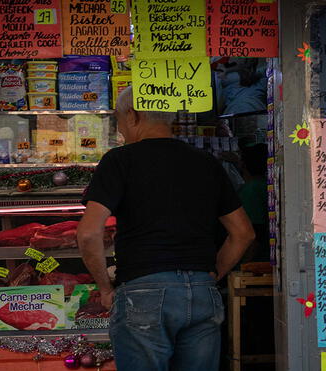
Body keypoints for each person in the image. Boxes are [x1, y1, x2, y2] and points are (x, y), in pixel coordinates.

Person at [76, 86, 255, 371]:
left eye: (119, 121)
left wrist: (105, 287)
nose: (121, 130)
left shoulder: (119, 160)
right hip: (202, 292)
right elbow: (243, 233)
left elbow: (88, 233)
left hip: (143, 291)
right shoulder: (206, 162)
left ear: (133, 115)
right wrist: (211, 274)